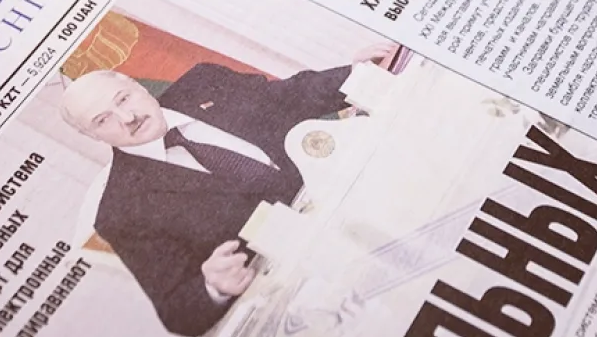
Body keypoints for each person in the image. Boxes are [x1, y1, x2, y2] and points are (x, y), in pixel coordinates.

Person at [59, 43, 397, 336]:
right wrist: (212, 286)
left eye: (123, 98)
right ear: (92, 136)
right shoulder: (121, 211)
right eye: (102, 120)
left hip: (366, 198)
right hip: (320, 279)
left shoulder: (205, 82)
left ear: (137, 86)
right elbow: (177, 310)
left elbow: (292, 95)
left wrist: (354, 74)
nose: (127, 117)